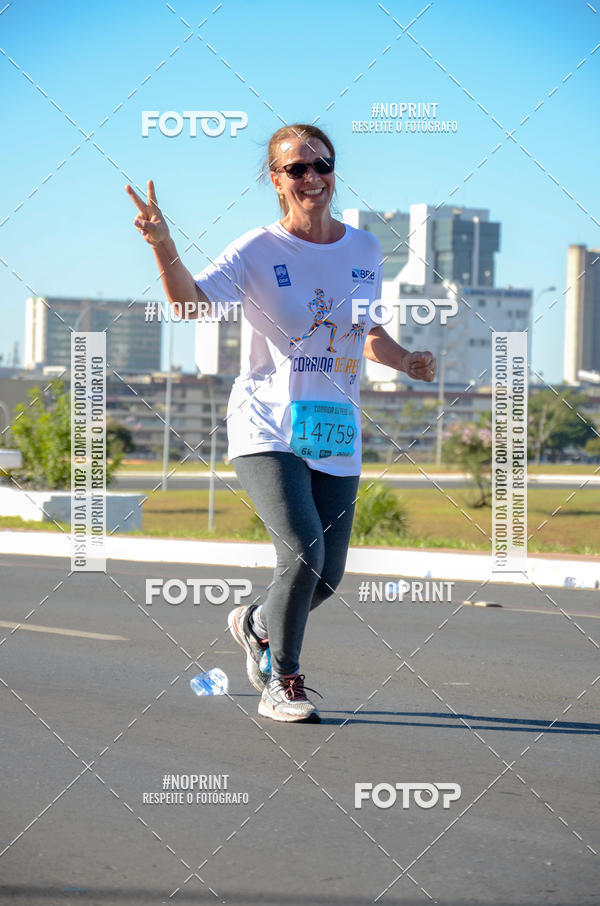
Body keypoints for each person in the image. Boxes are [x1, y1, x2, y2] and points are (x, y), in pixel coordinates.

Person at [126, 123, 436, 724]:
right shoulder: (257, 250)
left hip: (335, 427)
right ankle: (283, 679)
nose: (313, 177)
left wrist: (405, 360)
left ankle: (254, 622)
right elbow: (192, 305)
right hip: (266, 423)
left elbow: (364, 331)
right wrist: (163, 243)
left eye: (323, 164)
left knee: (327, 574)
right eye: (297, 169)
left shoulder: (365, 249)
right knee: (301, 552)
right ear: (276, 180)